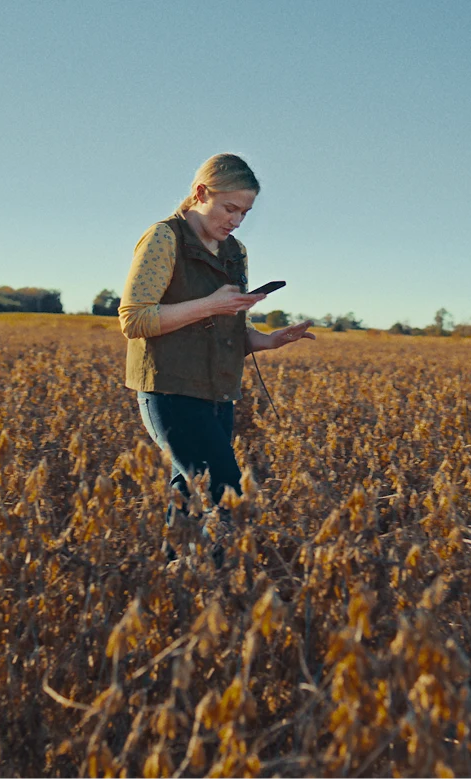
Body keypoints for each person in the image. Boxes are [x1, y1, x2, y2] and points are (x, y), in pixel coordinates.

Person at [118, 153, 314, 557]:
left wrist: (269, 340)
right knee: (224, 492)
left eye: (245, 212)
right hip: (169, 391)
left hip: (219, 393)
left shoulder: (235, 252)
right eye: (230, 208)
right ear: (200, 193)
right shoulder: (164, 238)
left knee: (187, 493)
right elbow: (134, 319)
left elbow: (228, 330)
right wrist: (209, 304)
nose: (237, 220)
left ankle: (178, 585)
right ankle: (216, 584)